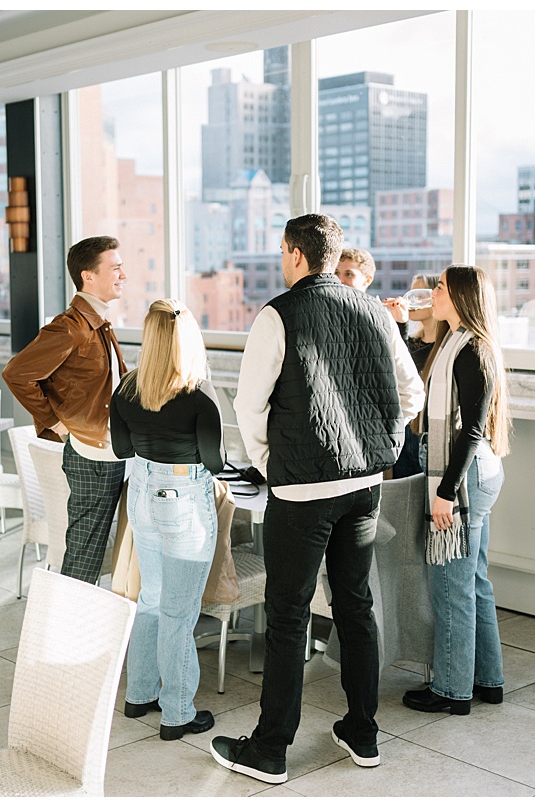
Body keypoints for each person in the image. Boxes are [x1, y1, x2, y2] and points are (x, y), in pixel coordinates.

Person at [209, 214, 424, 783]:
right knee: (355, 606)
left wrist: (270, 466)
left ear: (296, 254)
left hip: (302, 490)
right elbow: (412, 392)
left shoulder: (277, 314)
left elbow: (249, 405)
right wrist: (383, 440)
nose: (282, 260)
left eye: (283, 251)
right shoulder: (375, 311)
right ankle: (363, 733)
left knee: (288, 614)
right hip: (364, 486)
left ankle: (271, 750)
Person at [110, 299, 224, 742]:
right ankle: (177, 713)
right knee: (178, 611)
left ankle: (139, 694)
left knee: (151, 598)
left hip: (141, 492)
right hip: (184, 500)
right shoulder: (200, 393)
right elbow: (214, 461)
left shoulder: (127, 388)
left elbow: (122, 449)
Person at [402, 264, 512, 716]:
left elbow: (470, 431)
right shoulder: (457, 342)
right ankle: (488, 680)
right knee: (474, 582)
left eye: (441, 288)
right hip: (475, 474)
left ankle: (451, 690)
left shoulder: (471, 350)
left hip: (463, 478)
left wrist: (445, 493)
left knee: (451, 588)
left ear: (462, 297)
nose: (433, 293)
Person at [2, 236, 128, 585]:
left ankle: (78, 615)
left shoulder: (98, 323)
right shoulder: (71, 326)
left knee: (90, 553)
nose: (123, 275)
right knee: (84, 558)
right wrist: (56, 422)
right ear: (89, 276)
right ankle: (69, 618)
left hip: (107, 452)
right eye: (115, 268)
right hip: (92, 456)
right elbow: (16, 374)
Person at [382, 272, 440, 479]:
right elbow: (399, 371)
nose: (409, 300)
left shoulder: (444, 347)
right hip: (405, 430)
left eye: (418, 295)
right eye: (410, 292)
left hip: (428, 436)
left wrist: (401, 326)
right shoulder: (413, 342)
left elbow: (412, 370)